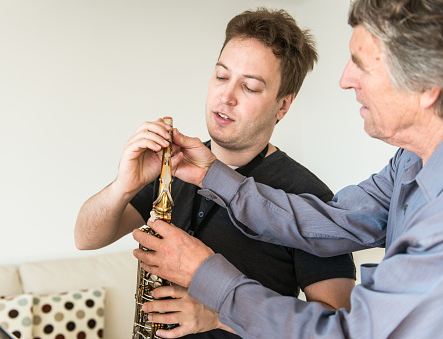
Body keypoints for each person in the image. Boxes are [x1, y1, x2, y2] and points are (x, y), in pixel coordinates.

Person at [132, 0, 443, 337]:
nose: (344, 80)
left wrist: (209, 280)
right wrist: (212, 175)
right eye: (222, 75)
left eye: (362, 65)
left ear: (426, 88)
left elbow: (346, 332)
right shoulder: (409, 161)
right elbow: (330, 223)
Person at [75, 8, 357, 339]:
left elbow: (338, 326)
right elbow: (85, 238)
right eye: (222, 76)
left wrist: (221, 314)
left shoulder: (310, 198)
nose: (226, 96)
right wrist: (124, 185)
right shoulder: (170, 163)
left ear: (283, 105)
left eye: (250, 86)